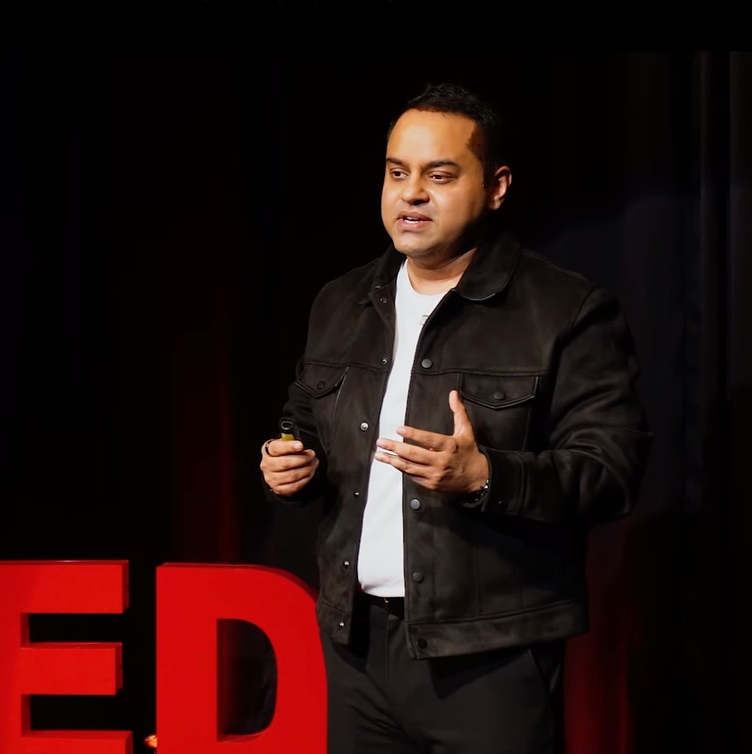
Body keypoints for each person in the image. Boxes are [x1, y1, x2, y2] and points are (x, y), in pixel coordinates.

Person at [258, 82, 652, 753]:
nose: (412, 194)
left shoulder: (565, 311)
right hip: (355, 652)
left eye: (439, 176)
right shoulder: (340, 301)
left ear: (496, 187)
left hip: (490, 660)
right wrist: (291, 459)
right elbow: (302, 416)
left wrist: (484, 476)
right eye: (397, 173)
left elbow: (611, 471)